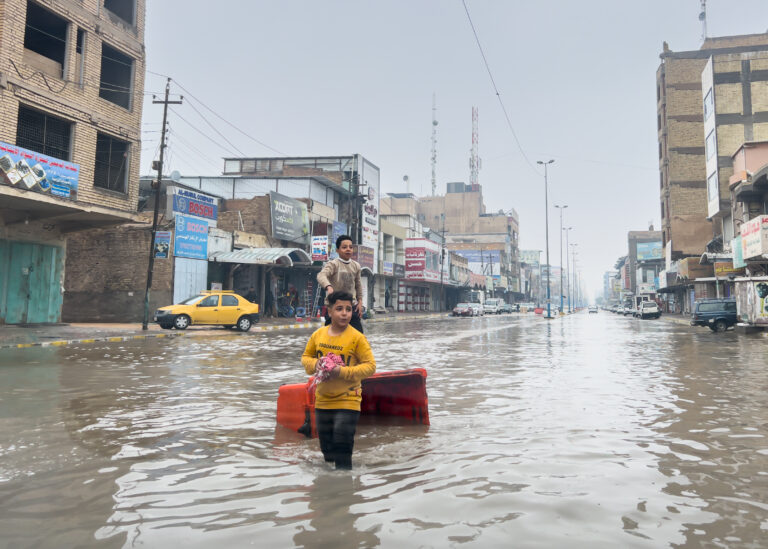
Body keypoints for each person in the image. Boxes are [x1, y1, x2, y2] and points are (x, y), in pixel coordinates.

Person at [301, 291, 376, 470]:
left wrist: (341, 371)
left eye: (349, 309)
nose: (344, 313)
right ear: (329, 311)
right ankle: (328, 491)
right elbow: (305, 358)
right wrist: (316, 363)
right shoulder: (318, 335)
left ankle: (344, 490)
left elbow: (370, 366)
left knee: (342, 445)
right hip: (323, 400)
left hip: (348, 399)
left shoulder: (357, 338)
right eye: (339, 309)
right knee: (327, 450)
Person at [317, 234, 364, 333]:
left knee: (359, 337)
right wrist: (328, 287)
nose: (348, 249)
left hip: (351, 306)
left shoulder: (356, 266)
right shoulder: (333, 264)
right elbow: (321, 275)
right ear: (337, 250)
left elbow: (358, 285)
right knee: (331, 336)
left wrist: (360, 302)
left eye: (350, 247)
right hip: (334, 306)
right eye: (344, 247)